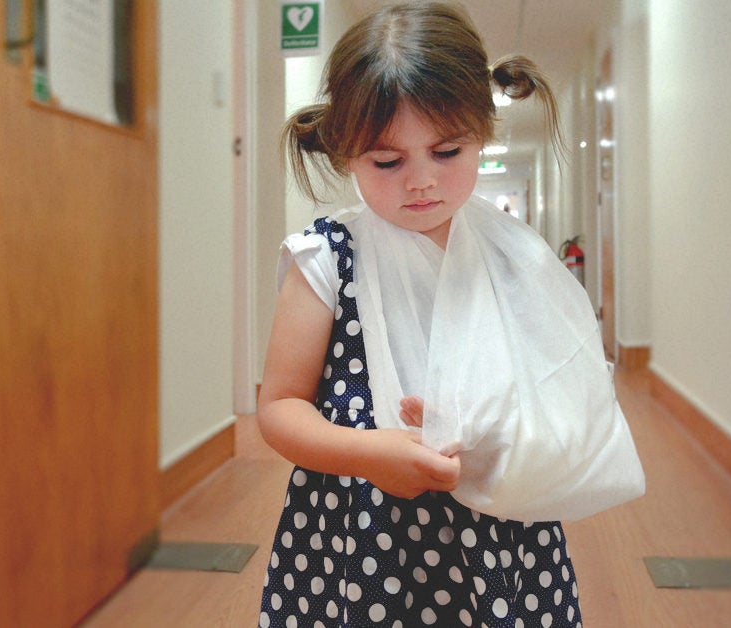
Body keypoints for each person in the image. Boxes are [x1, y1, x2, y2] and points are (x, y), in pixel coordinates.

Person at [257, 3, 604, 626]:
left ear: (483, 133)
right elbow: (280, 407)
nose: (420, 181)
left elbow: (560, 392)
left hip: (500, 529)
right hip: (358, 531)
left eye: (446, 151)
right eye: (387, 162)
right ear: (344, 154)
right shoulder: (326, 260)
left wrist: (496, 424)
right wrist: (365, 452)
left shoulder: (513, 259)